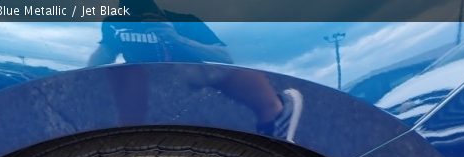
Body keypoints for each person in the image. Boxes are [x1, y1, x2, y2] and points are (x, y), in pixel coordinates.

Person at [88, 0, 303, 142]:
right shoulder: (115, 23)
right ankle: (130, 138)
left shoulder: (184, 21)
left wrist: (176, 39)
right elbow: (104, 52)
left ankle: (274, 113)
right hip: (145, 85)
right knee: (126, 72)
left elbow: (224, 57)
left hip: (192, 80)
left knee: (199, 70)